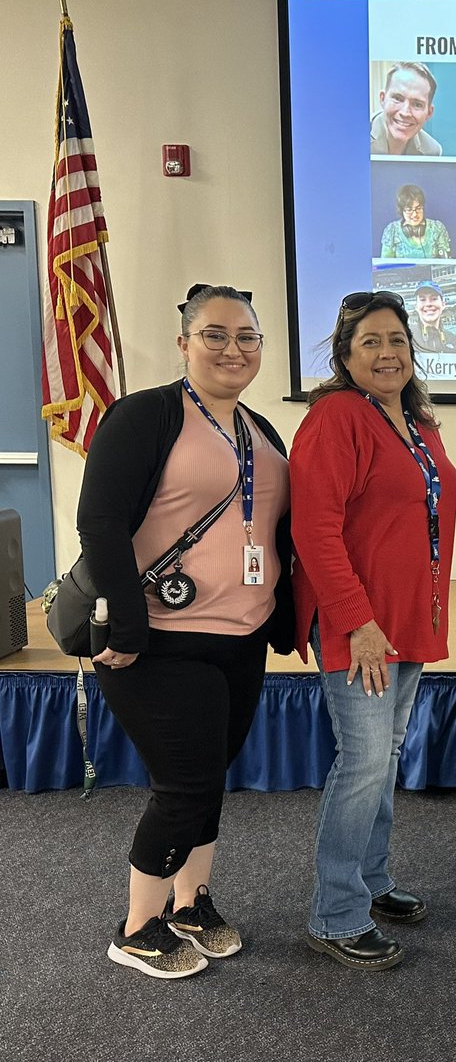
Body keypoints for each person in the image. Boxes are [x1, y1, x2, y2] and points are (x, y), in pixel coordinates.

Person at [79, 284, 292, 979]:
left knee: (210, 781)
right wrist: (131, 625)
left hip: (241, 637)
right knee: (185, 786)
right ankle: (137, 928)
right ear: (183, 343)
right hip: (158, 641)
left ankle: (190, 904)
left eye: (248, 337)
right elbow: (101, 523)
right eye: (216, 334)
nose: (234, 348)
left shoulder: (261, 429)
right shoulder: (145, 416)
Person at [291, 290, 456, 970]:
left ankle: (372, 882)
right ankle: (335, 914)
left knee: (383, 758)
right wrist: (356, 622)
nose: (387, 352)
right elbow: (315, 527)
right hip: (360, 623)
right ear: (344, 355)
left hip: (407, 617)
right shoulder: (335, 417)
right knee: (362, 762)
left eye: (396, 339)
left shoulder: (417, 421)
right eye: (370, 342)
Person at [370, 62, 442, 156]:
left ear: (429, 113)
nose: (405, 112)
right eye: (397, 99)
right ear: (382, 99)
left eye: (417, 104)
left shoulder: (432, 151)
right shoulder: (353, 139)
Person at [380, 185, 451, 260]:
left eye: (418, 208)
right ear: (401, 210)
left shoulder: (437, 228)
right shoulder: (391, 231)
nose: (414, 214)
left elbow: (446, 263)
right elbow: (385, 266)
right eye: (409, 210)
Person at [411, 281, 456, 354]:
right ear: (416, 306)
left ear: (443, 304)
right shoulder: (407, 336)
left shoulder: (452, 339)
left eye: (434, 299)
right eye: (423, 299)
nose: (428, 304)